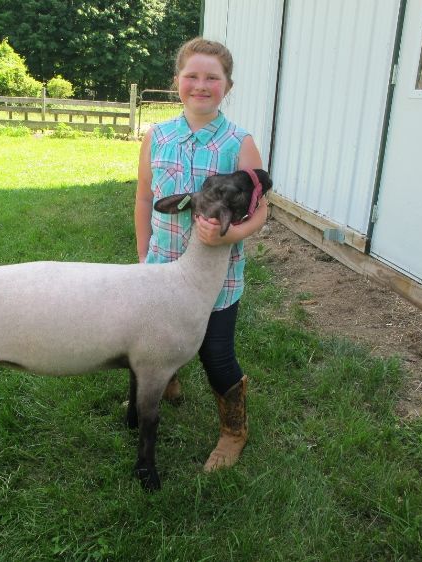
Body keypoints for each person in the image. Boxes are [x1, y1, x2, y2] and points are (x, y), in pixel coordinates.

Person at [134, 37, 268, 472]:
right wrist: (142, 258)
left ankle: (233, 431)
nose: (201, 84)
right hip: (161, 267)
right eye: (192, 76)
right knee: (152, 338)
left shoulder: (238, 142)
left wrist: (229, 237)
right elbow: (142, 199)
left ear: (228, 86)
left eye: (212, 77)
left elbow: (260, 212)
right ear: (177, 82)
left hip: (216, 280)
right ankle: (165, 378)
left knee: (216, 353)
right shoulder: (157, 136)